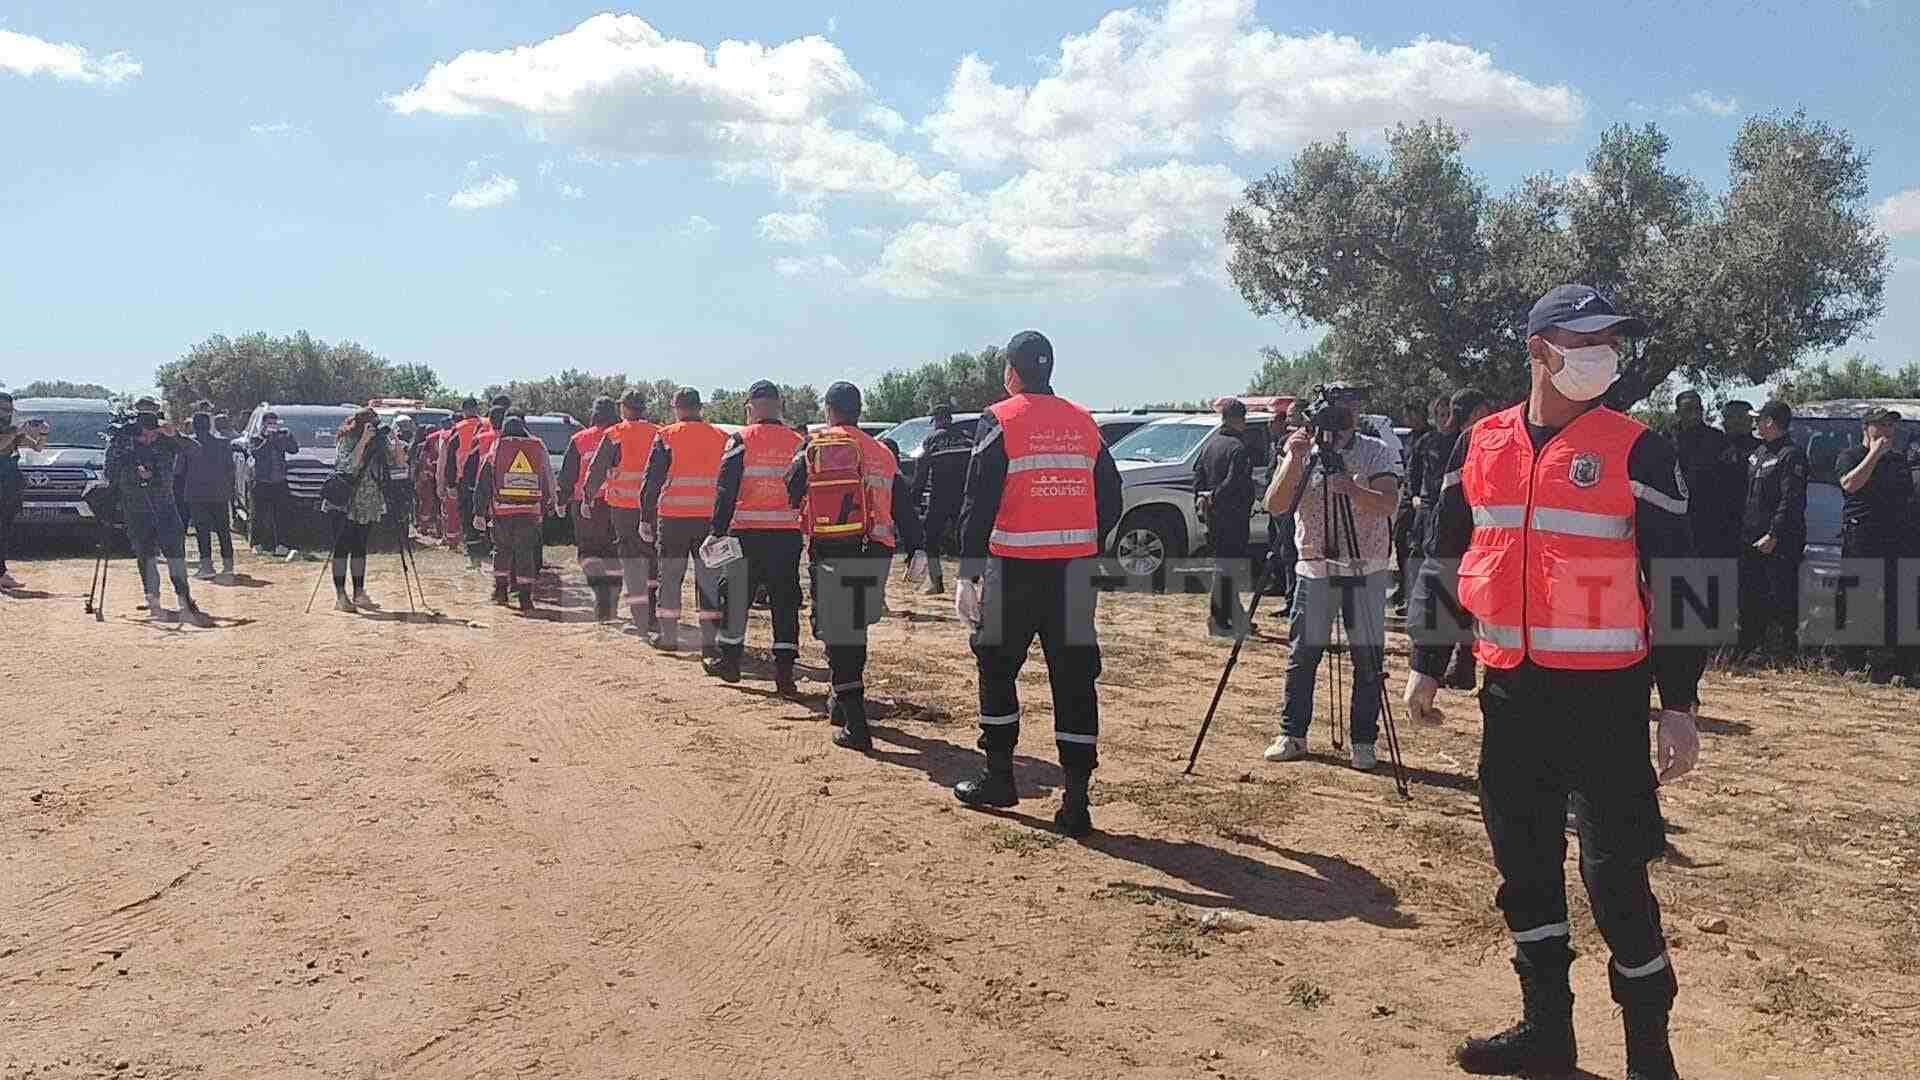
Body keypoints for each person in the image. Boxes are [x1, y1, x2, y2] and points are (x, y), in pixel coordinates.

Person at [1405, 284, 1701, 1080]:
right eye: (1587, 339)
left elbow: (1681, 579)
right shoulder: (1482, 442)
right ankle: (1547, 1033)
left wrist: (1678, 704)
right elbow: (1445, 554)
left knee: (1615, 879)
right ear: (1539, 350)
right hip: (1512, 695)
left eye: (1612, 340)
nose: (1605, 353)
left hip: (1606, 700)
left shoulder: (1639, 448)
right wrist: (1428, 661)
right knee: (1525, 867)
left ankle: (1650, 1057)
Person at [949, 331, 1122, 836]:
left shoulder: (1001, 418)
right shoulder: (1083, 421)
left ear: (1012, 372)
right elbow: (1111, 496)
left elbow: (978, 498)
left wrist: (968, 572)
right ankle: (1077, 800)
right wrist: (1086, 542)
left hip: (1015, 570)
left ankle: (1000, 777)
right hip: (1074, 574)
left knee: (997, 668)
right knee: (1075, 680)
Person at [1260, 400, 1403, 771]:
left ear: (1355, 418)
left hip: (1364, 566)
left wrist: (1354, 491)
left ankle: (1364, 741)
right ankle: (1292, 734)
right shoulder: (1301, 451)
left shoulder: (1376, 451)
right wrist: (1293, 458)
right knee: (1302, 655)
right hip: (1314, 568)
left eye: (1344, 417)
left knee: (1367, 659)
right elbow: (1274, 505)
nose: (1337, 428)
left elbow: (1389, 503)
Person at [784, 381, 926, 751]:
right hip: (876, 550)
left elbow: (792, 490)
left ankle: (856, 724)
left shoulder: (814, 445)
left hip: (833, 549)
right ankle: (841, 704)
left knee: (837, 634)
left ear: (829, 410)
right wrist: (917, 547)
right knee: (855, 630)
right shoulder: (881, 451)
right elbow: (903, 502)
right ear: (859, 411)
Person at [705, 380, 806, 690]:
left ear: (749, 408)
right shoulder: (799, 442)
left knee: (735, 599)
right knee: (785, 603)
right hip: (787, 536)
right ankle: (785, 674)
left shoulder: (740, 439)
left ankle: (730, 662)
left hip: (745, 536)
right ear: (780, 405)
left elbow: (726, 489)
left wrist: (716, 532)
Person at [106, 398, 211, 626]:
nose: (149, 439)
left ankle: (184, 597)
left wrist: (176, 435)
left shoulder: (166, 440)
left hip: (165, 505)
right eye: (144, 436)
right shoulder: (122, 440)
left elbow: (196, 451)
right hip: (135, 506)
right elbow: (109, 472)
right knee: (145, 554)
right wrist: (133, 471)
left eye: (153, 435)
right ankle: (152, 599)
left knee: (175, 553)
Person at [641, 388, 730, 653]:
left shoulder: (666, 435)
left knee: (669, 577)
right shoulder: (721, 437)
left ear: (676, 408)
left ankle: (668, 636)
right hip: (710, 521)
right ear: (700, 407)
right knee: (710, 579)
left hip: (673, 519)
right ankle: (710, 641)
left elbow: (652, 479)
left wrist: (645, 517)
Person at [1835, 407, 1914, 683]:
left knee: (1898, 601)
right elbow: (1849, 484)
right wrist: (1874, 454)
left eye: (1890, 426)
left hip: (1894, 537)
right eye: (1880, 425)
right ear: (1866, 428)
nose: (1887, 431)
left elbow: (1907, 496)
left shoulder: (1898, 461)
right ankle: (1854, 663)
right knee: (1857, 598)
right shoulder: (1851, 456)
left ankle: (1898, 667)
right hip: (1862, 536)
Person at [583, 389, 662, 632]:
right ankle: (651, 614)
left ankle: (640, 618)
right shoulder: (659, 432)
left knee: (631, 563)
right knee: (651, 560)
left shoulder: (615, 434)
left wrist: (588, 497)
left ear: (624, 408)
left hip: (624, 509)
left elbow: (597, 469)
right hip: (654, 508)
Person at [1430, 388, 1492, 691]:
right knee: (1465, 599)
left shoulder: (1436, 442)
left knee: (1456, 598)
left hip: (1450, 529)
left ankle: (1458, 663)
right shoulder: (1471, 443)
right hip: (1465, 530)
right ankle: (1461, 663)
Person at [1738, 401, 1808, 655]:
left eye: (1758, 419)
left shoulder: (1790, 455)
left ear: (1769, 422)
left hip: (1779, 541)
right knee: (1750, 595)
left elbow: (1791, 500)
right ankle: (1750, 646)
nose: (1755, 423)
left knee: (1780, 596)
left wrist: (1774, 534)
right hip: (1751, 537)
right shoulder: (1759, 451)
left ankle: (1783, 651)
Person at [475, 413, 556, 611]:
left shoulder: (497, 448)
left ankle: (501, 591)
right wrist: (550, 501)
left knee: (502, 551)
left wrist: (479, 512)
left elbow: (484, 482)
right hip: (529, 512)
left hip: (502, 511)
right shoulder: (537, 448)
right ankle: (525, 597)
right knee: (525, 553)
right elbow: (547, 475)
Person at [328, 408, 404, 612]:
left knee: (360, 547)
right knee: (342, 548)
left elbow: (399, 462)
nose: (374, 428)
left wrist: (394, 439)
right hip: (345, 501)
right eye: (370, 424)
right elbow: (347, 466)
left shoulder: (379, 442)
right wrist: (363, 440)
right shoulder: (347, 439)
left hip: (368, 501)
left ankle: (359, 593)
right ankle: (340, 595)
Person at [1193, 398, 1256, 639]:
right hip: (1233, 515)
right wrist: (1216, 496)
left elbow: (1198, 476)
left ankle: (1235, 616)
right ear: (1239, 420)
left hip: (1214, 515)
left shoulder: (1210, 445)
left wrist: (1203, 499)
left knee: (1225, 565)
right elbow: (1234, 481)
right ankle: (1218, 619)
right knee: (1227, 568)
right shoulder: (1237, 448)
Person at [558, 396, 624, 620]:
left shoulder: (579, 439)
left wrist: (561, 500)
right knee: (613, 554)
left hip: (587, 506)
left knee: (588, 552)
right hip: (618, 505)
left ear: (594, 414)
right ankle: (611, 602)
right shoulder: (622, 435)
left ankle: (600, 595)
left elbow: (568, 474)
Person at [1670, 390, 1739, 560]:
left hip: (1712, 519)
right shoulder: (1667, 440)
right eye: (1688, 409)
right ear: (1678, 412)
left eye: (1698, 409)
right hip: (1678, 520)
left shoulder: (1718, 439)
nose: (1694, 414)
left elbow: (1731, 481)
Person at [912, 404, 972, 596]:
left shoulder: (932, 440)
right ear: (950, 419)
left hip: (940, 498)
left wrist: (915, 500)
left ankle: (936, 583)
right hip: (963, 498)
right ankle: (969, 583)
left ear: (936, 421)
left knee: (930, 540)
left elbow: (921, 472)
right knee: (965, 540)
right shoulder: (966, 439)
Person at [175, 410, 237, 583]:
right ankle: (228, 565)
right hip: (219, 492)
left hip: (196, 493)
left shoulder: (188, 444)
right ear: (209, 425)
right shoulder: (223, 443)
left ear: (194, 426)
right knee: (223, 529)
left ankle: (207, 566)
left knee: (202, 530)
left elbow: (179, 470)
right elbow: (230, 467)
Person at [0, 392, 50, 590]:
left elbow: (37, 448)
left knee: (4, 529)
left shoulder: (11, 430)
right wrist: (16, 432)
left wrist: (42, 433)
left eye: (9, 410)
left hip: (9, 485)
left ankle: (1, 573)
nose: (6, 413)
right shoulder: (10, 431)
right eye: (3, 409)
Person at [1389, 396, 1435, 612]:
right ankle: (1403, 586)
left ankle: (1414, 594)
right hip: (1406, 497)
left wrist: (1418, 494)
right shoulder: (1409, 438)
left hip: (1422, 499)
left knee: (1417, 547)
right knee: (1400, 541)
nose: (1408, 418)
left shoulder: (1431, 438)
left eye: (1412, 413)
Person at [249, 411, 300, 556]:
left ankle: (282, 544)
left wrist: (286, 437)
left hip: (279, 481)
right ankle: (257, 544)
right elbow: (256, 454)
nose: (272, 426)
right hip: (262, 481)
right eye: (269, 423)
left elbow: (294, 450)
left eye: (274, 423)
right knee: (259, 515)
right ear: (263, 424)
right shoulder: (256, 438)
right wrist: (267, 440)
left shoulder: (281, 437)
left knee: (282, 515)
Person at [437, 397, 481, 549]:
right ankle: (485, 546)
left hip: (465, 478)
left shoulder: (459, 428)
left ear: (464, 411)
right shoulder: (487, 425)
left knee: (467, 514)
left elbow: (450, 458)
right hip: (485, 476)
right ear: (477, 409)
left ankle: (473, 549)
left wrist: (450, 483)